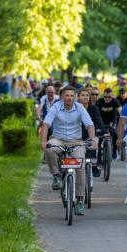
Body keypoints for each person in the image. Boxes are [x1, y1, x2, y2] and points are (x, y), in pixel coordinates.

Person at [41, 86, 97, 215]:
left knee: (80, 166)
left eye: (72, 96)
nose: (69, 98)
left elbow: (89, 124)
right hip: (58, 139)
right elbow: (46, 124)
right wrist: (44, 141)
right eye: (67, 95)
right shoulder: (56, 107)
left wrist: (92, 139)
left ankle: (80, 200)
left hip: (76, 141)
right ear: (61, 97)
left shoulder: (80, 107)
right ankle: (56, 175)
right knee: (49, 149)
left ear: (75, 97)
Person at [96, 88, 122, 159]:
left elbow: (121, 112)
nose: (107, 98)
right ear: (103, 96)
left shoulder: (115, 101)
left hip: (112, 121)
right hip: (101, 122)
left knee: (115, 134)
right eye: (105, 97)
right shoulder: (99, 102)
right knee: (100, 137)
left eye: (109, 97)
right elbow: (95, 113)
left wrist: (122, 121)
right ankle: (99, 152)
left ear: (112, 96)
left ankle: (114, 150)